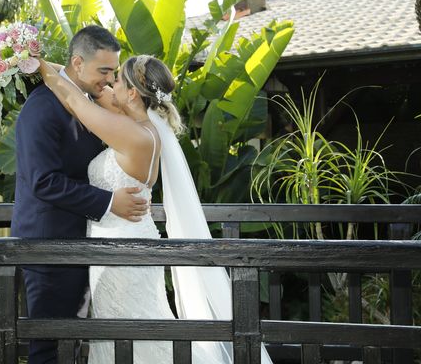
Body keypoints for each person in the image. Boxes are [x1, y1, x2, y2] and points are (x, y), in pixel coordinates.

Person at [38, 54, 274, 364]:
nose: (111, 83)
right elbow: (81, 83)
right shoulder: (140, 124)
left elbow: (72, 97)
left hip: (120, 249)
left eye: (118, 80)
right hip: (126, 239)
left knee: (127, 331)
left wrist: (26, 58)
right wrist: (38, 58)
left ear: (134, 92)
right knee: (133, 329)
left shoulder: (132, 134)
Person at [11, 25, 150, 364]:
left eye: (113, 71)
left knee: (70, 346)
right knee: (48, 348)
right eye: (104, 70)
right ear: (77, 62)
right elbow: (43, 181)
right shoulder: (41, 107)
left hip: (79, 244)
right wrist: (107, 201)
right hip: (47, 247)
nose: (109, 78)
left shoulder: (86, 102)